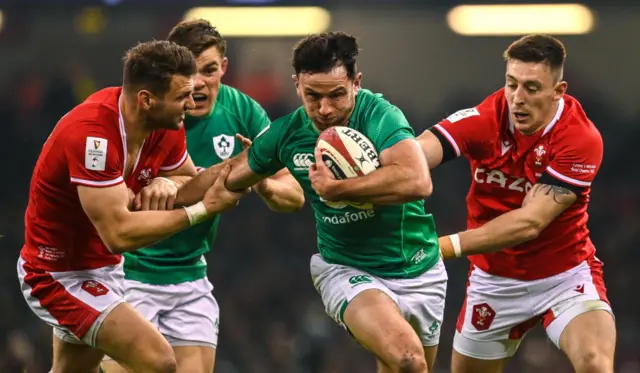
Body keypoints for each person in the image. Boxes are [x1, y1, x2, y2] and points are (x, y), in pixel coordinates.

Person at [176, 31, 447, 373]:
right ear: (296, 85)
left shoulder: (380, 116)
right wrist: (168, 193)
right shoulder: (288, 133)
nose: (324, 109)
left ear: (356, 82)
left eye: (336, 95)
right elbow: (228, 173)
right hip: (348, 269)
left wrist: (338, 189)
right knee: (408, 360)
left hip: (420, 269)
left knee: (404, 366)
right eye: (312, 96)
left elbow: (417, 180)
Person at [17, 40, 244, 373]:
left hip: (106, 269)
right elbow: (118, 234)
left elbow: (186, 180)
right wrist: (203, 210)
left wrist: (237, 167)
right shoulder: (92, 136)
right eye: (181, 96)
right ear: (147, 100)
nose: (190, 103)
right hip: (57, 274)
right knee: (159, 361)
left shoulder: (164, 125)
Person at [100, 20, 304, 373]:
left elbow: (295, 195)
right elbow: (107, 197)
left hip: (190, 276)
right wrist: (164, 180)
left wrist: (264, 184)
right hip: (128, 274)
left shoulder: (242, 112)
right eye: (189, 74)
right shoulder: (146, 110)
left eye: (209, 71)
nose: (198, 84)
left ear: (223, 68)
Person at [417, 34, 615, 373]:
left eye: (532, 88)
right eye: (512, 84)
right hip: (494, 279)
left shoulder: (580, 138)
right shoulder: (485, 119)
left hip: (564, 275)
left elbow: (529, 223)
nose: (517, 99)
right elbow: (420, 152)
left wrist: (443, 247)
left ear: (559, 90)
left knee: (595, 363)